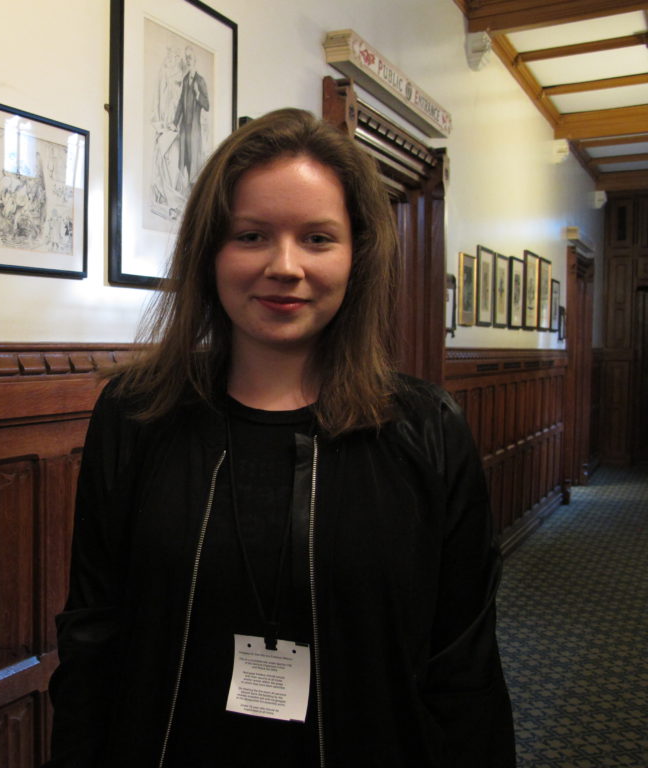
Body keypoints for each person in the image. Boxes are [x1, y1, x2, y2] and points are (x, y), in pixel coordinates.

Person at [46, 108, 515, 767]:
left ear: (358, 254)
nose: (285, 266)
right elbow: (94, 637)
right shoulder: (135, 416)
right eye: (252, 235)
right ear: (211, 251)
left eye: (318, 238)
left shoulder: (427, 430)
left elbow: (462, 666)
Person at [172, 46, 210, 192]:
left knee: (194, 159)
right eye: (186, 58)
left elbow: (207, 105)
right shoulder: (185, 79)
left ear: (195, 61)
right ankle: (181, 189)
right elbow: (181, 103)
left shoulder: (200, 81)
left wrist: (197, 94)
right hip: (184, 127)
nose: (188, 61)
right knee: (183, 157)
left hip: (194, 128)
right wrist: (175, 122)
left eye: (190, 58)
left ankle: (193, 191)